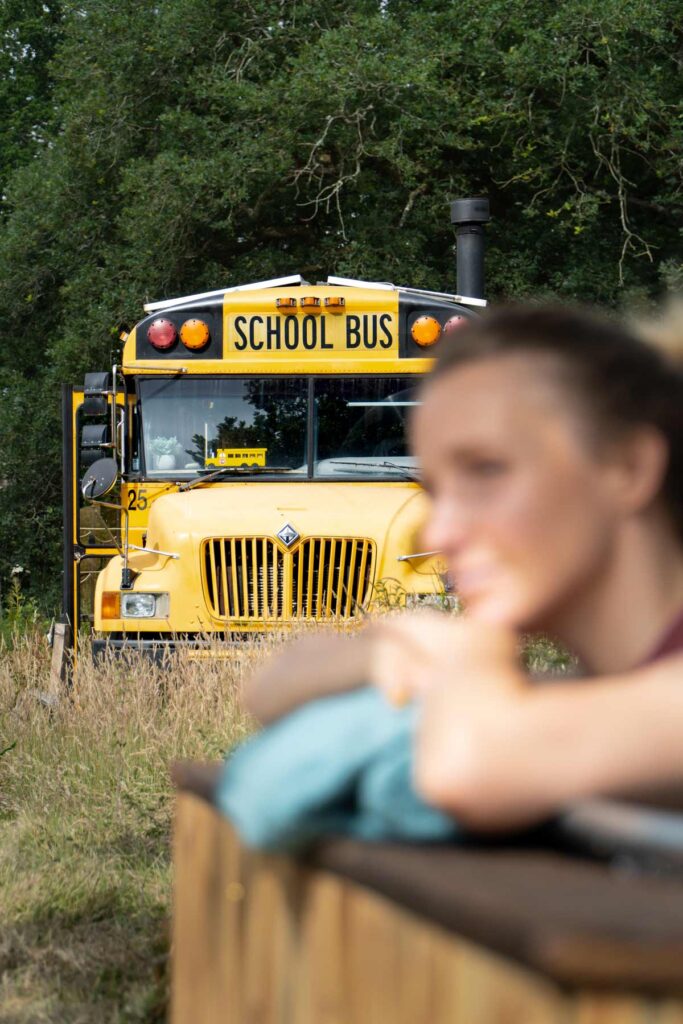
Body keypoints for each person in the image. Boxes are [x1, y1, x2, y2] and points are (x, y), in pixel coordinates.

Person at [242, 305, 683, 832]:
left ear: (628, 467)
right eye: (434, 491)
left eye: (486, 470)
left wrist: (464, 655)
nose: (438, 533)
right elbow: (272, 689)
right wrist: (399, 646)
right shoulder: (617, 693)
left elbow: (467, 768)